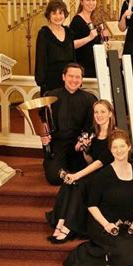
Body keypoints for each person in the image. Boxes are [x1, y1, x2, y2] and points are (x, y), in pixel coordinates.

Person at [64, 129, 133, 266]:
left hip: (126, 224)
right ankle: (84, 253)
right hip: (102, 224)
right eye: (115, 147)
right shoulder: (103, 175)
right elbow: (92, 205)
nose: (119, 150)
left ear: (129, 147)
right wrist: (106, 225)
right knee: (124, 253)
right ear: (110, 150)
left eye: (122, 146)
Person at [46, 100, 116, 243]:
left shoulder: (115, 135)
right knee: (68, 183)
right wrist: (85, 150)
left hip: (109, 175)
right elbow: (91, 160)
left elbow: (101, 162)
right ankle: (61, 221)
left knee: (79, 184)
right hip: (94, 171)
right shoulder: (92, 133)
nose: (99, 115)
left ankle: (69, 227)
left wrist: (76, 175)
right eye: (96, 112)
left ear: (110, 114)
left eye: (103, 111)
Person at [40, 63, 97, 185]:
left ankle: (67, 167)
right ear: (63, 77)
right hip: (57, 143)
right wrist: (43, 135)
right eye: (71, 76)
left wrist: (83, 140)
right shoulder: (50, 96)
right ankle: (50, 163)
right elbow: (43, 119)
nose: (74, 80)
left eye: (78, 77)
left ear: (82, 80)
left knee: (87, 174)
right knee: (54, 178)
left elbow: (91, 125)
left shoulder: (90, 99)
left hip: (78, 144)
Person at [35, 0, 75, 96]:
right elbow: (40, 60)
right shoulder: (44, 33)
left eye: (61, 13)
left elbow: (73, 58)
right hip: (51, 83)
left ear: (65, 14)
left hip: (69, 81)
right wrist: (43, 85)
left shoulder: (69, 32)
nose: (58, 17)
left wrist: (76, 77)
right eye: (54, 13)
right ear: (49, 15)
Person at [70, 0, 107, 78]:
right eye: (88, 0)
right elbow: (71, 45)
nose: (91, 3)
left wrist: (104, 41)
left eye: (93, 0)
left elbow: (100, 39)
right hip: (83, 65)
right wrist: (89, 38)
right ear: (81, 2)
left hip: (96, 63)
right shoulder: (77, 20)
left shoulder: (95, 19)